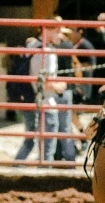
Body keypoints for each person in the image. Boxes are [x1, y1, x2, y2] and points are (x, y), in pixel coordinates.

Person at [14, 26, 66, 163]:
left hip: (29, 99)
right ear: (46, 31)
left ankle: (16, 166)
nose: (61, 36)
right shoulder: (47, 53)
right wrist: (60, 86)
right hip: (45, 103)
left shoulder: (32, 46)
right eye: (58, 31)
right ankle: (44, 173)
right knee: (47, 147)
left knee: (30, 140)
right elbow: (44, 83)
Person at [51, 18, 77, 163]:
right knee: (64, 127)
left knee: (57, 127)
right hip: (66, 87)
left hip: (58, 88)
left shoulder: (54, 47)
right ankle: (67, 158)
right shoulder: (68, 45)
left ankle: (65, 158)